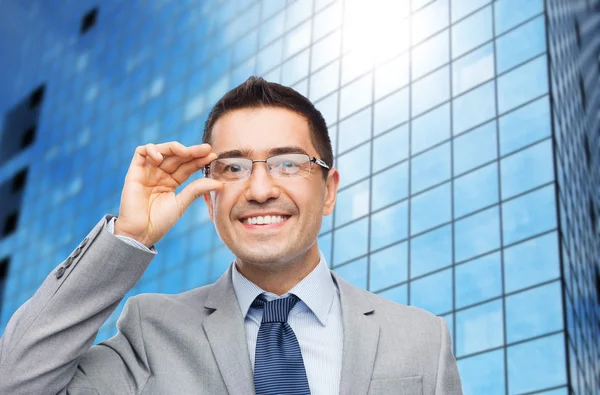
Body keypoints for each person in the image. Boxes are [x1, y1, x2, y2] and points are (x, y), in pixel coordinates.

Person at [0, 77, 462, 395]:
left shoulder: (422, 339)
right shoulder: (152, 331)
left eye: (288, 163)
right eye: (234, 168)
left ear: (329, 190)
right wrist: (129, 236)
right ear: (208, 198)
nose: (260, 190)